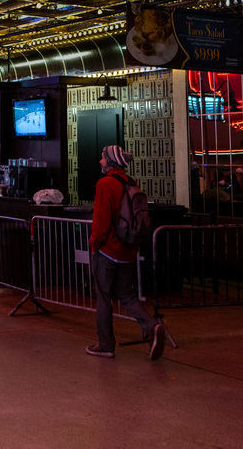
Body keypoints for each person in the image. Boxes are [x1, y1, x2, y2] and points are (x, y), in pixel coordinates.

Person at [87, 144, 165, 360]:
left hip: (108, 250)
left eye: (102, 158)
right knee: (127, 295)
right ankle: (151, 326)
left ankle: (105, 345)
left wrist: (95, 243)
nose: (100, 162)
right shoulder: (131, 182)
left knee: (103, 297)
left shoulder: (105, 184)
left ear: (110, 161)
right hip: (128, 249)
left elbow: (101, 221)